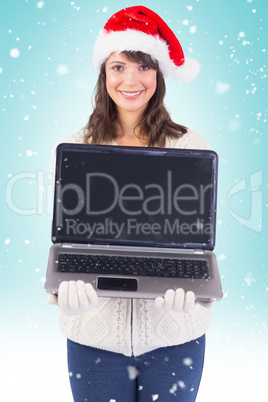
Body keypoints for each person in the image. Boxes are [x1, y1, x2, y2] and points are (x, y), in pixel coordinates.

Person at [48, 6, 213, 402]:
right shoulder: (77, 146)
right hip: (94, 340)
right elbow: (68, 238)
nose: (131, 80)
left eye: (143, 67)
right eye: (118, 67)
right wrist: (62, 298)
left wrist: (193, 298)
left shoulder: (190, 145)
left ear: (158, 75)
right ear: (104, 76)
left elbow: (197, 242)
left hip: (175, 338)